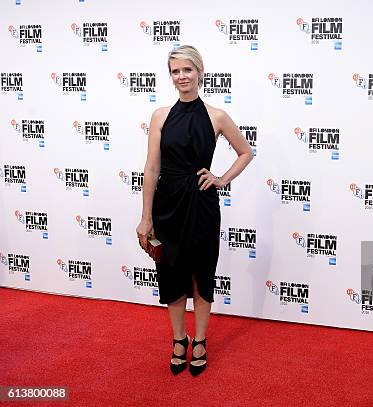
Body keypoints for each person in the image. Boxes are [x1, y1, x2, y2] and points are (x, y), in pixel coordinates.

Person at [136, 45, 253, 376]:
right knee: (171, 274)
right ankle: (179, 340)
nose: (181, 76)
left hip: (201, 205)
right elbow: (151, 168)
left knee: (201, 275)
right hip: (167, 205)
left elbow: (245, 152)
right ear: (170, 76)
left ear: (200, 72)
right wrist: (146, 217)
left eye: (187, 70)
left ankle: (200, 340)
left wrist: (220, 179)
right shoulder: (160, 115)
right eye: (175, 71)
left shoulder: (216, 116)